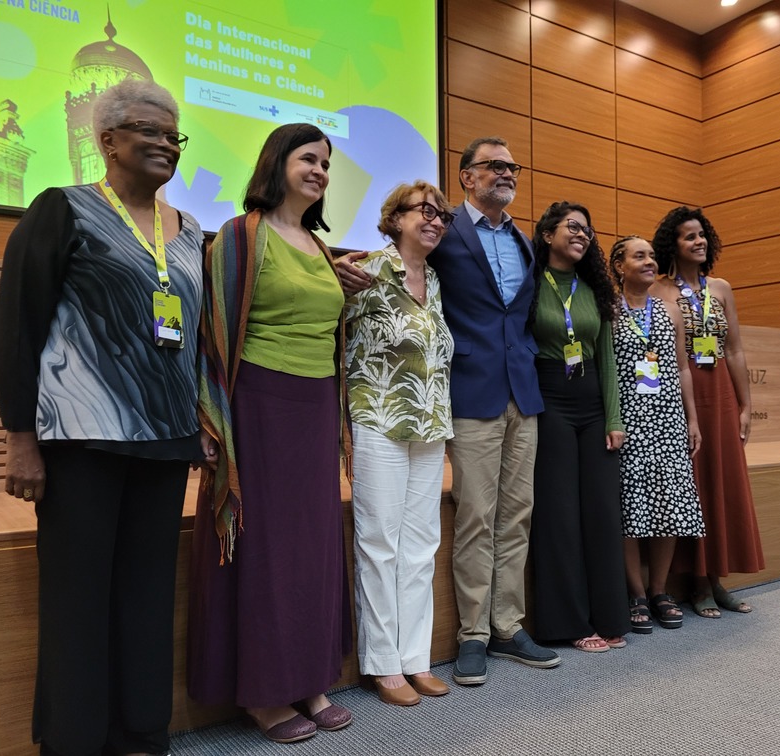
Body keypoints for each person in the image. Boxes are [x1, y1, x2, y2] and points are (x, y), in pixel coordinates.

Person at [0, 79, 204, 755]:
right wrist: (21, 438)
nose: (164, 143)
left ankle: (141, 729)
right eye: (149, 130)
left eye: (174, 135)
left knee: (146, 596)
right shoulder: (65, 210)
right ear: (106, 140)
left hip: (167, 440)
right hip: (80, 438)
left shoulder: (191, 231)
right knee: (78, 599)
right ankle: (76, 739)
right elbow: (16, 326)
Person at [345, 136, 559, 685]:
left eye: (513, 166)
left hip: (522, 394)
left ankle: (508, 624)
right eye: (494, 166)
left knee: (516, 516)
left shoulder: (522, 239)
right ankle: (473, 634)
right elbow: (392, 267)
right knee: (474, 517)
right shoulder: (444, 234)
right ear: (467, 176)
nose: (507, 174)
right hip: (465, 395)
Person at [187, 123, 353, 743]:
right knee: (265, 549)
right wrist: (209, 421)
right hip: (257, 405)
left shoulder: (315, 245)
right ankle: (262, 693)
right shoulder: (239, 235)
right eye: (308, 159)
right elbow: (210, 333)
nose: (319, 171)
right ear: (277, 163)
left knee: (311, 545)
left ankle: (309, 679)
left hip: (314, 406)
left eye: (326, 164)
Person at [344, 181, 455, 706]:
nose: (434, 220)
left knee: (420, 549)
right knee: (379, 543)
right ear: (395, 218)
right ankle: (384, 665)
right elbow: (333, 340)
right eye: (424, 211)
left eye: (442, 215)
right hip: (378, 422)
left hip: (430, 427)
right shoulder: (364, 270)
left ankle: (416, 659)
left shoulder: (435, 279)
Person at [650, 206, 764, 618]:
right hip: (679, 393)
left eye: (701, 235)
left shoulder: (721, 288)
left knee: (722, 482)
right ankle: (698, 583)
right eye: (688, 236)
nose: (698, 242)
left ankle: (717, 578)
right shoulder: (657, 290)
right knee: (692, 485)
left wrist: (746, 404)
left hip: (720, 393)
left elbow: (733, 348)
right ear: (673, 246)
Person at [528, 201, 630, 652]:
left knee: (603, 512)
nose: (582, 234)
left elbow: (606, 356)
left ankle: (610, 615)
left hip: (592, 402)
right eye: (572, 226)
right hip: (548, 400)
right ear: (548, 234)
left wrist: (614, 417)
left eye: (587, 229)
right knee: (560, 515)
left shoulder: (594, 287)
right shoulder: (529, 285)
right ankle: (567, 623)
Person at [609, 235, 704, 634]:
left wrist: (692, 420)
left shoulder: (671, 310)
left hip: (667, 418)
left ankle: (660, 590)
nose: (649, 261)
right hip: (628, 417)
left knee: (670, 502)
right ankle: (636, 594)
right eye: (639, 256)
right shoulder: (608, 309)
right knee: (631, 505)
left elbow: (683, 368)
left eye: (651, 255)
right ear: (618, 265)